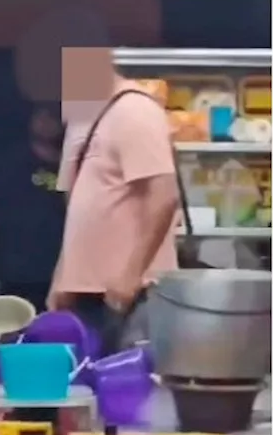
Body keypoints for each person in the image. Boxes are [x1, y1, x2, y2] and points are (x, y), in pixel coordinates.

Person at [50, 47, 180, 348]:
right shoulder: (81, 117)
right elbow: (78, 210)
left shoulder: (135, 111)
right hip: (85, 295)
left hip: (130, 293)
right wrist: (63, 278)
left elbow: (163, 197)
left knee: (132, 384)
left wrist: (130, 276)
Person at [0, 105, 67, 312]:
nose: (48, 123)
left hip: (63, 271)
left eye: (54, 117)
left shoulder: (75, 162)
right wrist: (7, 223)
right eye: (42, 116)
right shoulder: (7, 163)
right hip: (15, 270)